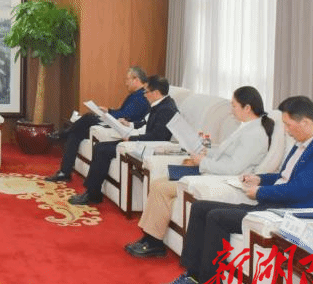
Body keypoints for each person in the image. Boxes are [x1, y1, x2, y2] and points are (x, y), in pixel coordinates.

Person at [159, 96, 313, 284]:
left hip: (286, 214)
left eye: (288, 125)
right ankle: (194, 276)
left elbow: (298, 190)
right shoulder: (304, 144)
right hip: (270, 206)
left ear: (305, 122)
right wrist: (259, 179)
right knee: (200, 208)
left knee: (217, 217)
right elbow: (284, 176)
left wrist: (260, 192)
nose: (286, 130)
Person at [125, 86, 274, 258]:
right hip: (215, 172)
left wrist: (203, 162)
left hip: (224, 179)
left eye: (234, 106)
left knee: (161, 187)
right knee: (158, 183)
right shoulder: (246, 127)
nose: (231, 110)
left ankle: (154, 242)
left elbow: (234, 168)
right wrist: (205, 150)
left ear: (247, 108)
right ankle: (149, 237)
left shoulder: (254, 134)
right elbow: (225, 153)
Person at [68, 75, 177, 205]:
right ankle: (92, 193)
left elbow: (157, 137)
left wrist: (131, 138)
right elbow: (145, 122)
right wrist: (129, 125)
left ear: (156, 93)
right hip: (140, 141)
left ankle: (92, 194)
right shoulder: (161, 104)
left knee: (102, 150)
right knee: (100, 147)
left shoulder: (166, 110)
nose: (144, 95)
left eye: (146, 92)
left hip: (147, 147)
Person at [45, 66, 150, 182]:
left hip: (121, 128)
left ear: (136, 79)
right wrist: (109, 111)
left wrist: (108, 113)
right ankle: (64, 172)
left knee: (89, 117)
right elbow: (123, 112)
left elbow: (125, 116)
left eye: (127, 79)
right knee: (75, 133)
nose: (126, 83)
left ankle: (62, 135)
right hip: (116, 123)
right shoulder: (135, 95)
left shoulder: (141, 97)